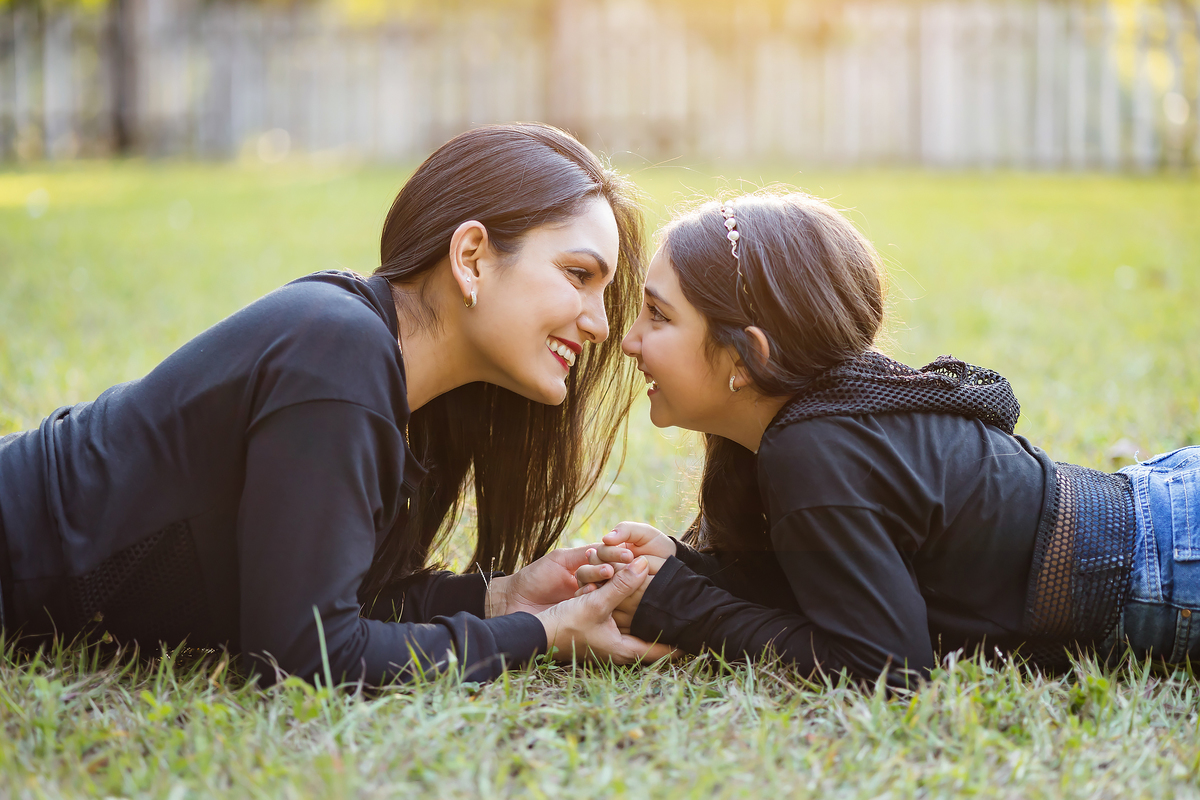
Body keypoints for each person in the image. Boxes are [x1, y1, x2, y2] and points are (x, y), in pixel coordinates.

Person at [0, 123, 670, 686]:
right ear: (470, 257)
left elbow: (329, 601)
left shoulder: (389, 378)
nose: (601, 324)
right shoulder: (339, 351)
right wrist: (539, 634)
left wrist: (502, 597)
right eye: (579, 276)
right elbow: (305, 655)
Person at [574, 191, 1200, 688]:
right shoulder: (818, 433)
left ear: (749, 356)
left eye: (658, 314)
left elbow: (886, 668)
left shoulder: (813, 448)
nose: (627, 339)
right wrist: (690, 569)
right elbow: (841, 594)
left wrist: (682, 606)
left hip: (1173, 559)